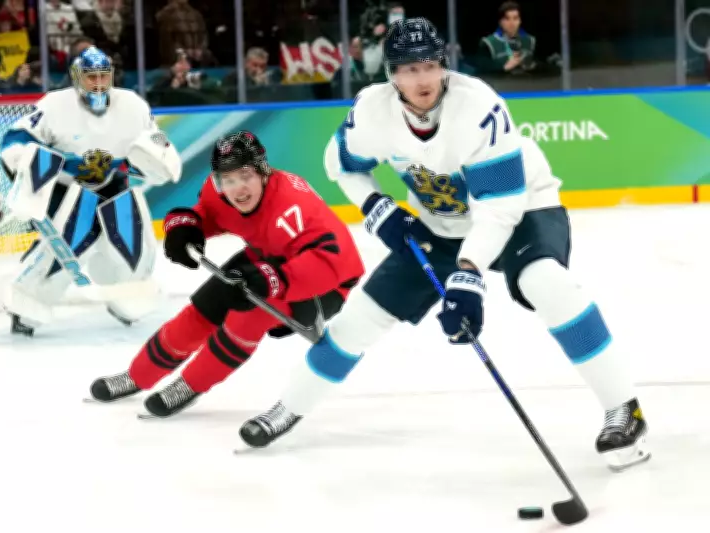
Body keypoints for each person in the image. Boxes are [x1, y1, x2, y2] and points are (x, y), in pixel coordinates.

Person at [239, 17, 650, 472]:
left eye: (430, 66)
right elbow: (339, 163)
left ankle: (623, 410)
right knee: (360, 317)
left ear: (444, 66)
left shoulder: (478, 108)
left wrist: (468, 275)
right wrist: (377, 206)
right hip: (440, 222)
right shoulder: (372, 112)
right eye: (409, 69)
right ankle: (288, 407)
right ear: (391, 74)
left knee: (547, 283)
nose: (422, 79)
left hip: (522, 208)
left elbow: (498, 210)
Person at [88, 131, 365, 419]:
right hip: (267, 256)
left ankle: (189, 385)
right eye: (228, 179)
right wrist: (186, 227)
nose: (237, 189)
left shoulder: (293, 205)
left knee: (246, 317)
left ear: (263, 172)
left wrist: (272, 280)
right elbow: (208, 214)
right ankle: (137, 375)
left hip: (324, 285)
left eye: (245, 175)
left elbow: (334, 262)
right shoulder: (218, 191)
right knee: (204, 308)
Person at [0, 47, 182, 336]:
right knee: (64, 246)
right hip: (67, 189)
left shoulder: (133, 104)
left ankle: (125, 297)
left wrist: (159, 155)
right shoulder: (54, 105)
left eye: (102, 76)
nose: (97, 83)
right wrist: (31, 167)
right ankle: (27, 303)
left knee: (135, 249)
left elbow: (154, 139)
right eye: (90, 77)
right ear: (76, 78)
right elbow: (17, 137)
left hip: (115, 186)